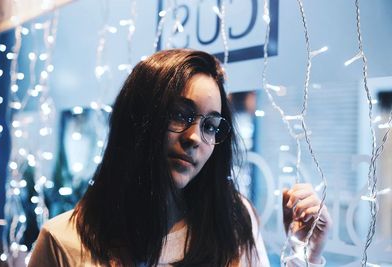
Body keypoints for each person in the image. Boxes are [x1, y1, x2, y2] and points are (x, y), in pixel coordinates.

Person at [28, 49, 331, 266]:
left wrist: (306, 253)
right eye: (179, 115)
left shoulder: (233, 220)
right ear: (138, 120)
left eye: (211, 126)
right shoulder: (62, 241)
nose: (194, 138)